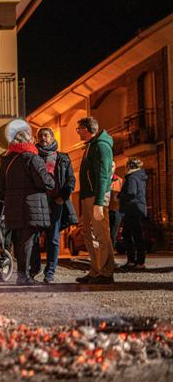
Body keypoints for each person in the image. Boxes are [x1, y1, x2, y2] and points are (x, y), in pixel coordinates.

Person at [0, 119, 54, 286]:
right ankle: (24, 276)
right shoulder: (32, 158)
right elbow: (45, 182)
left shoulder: (6, 160)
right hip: (31, 206)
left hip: (13, 207)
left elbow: (1, 186)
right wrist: (50, 177)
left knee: (19, 241)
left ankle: (23, 274)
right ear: (28, 141)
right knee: (28, 242)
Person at [30, 127, 78, 283]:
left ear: (51, 138)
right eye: (40, 136)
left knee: (53, 239)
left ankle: (49, 273)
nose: (43, 138)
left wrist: (63, 197)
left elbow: (71, 180)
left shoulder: (62, 158)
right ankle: (35, 269)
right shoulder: (31, 156)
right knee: (34, 238)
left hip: (55, 203)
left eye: (46, 135)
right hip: (37, 204)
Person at [75, 116, 115, 284]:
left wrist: (99, 202)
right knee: (88, 234)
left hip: (96, 196)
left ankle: (106, 272)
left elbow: (103, 176)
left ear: (86, 129)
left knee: (101, 234)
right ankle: (96, 269)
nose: (78, 133)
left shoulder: (101, 147)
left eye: (79, 130)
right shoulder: (91, 146)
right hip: (88, 196)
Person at [118, 157, 148, 271]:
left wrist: (119, 196)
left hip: (132, 209)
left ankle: (139, 262)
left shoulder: (132, 177)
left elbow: (131, 193)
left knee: (136, 235)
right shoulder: (140, 177)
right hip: (137, 208)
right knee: (127, 234)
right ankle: (132, 261)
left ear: (130, 166)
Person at [109, 161, 124, 249]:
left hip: (116, 211)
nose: (111, 168)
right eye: (109, 166)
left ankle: (111, 254)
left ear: (115, 167)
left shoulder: (120, 181)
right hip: (105, 210)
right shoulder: (102, 180)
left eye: (112, 166)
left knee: (113, 234)